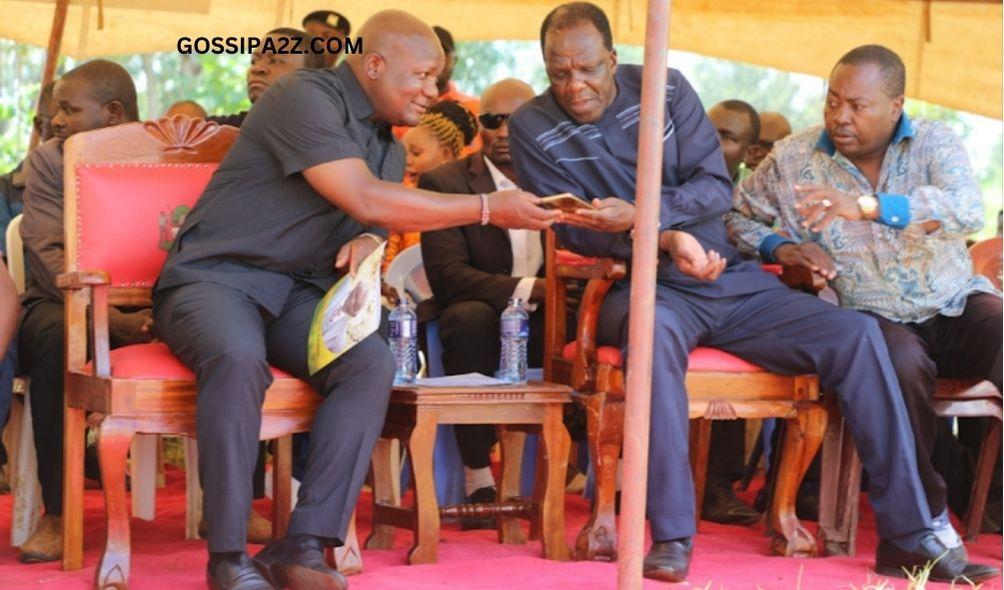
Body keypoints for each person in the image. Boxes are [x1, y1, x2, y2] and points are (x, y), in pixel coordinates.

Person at [508, 3, 999, 584]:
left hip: (730, 279)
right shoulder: (530, 125)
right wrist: (665, 239)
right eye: (558, 72)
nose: (575, 85)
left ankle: (908, 533)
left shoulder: (665, 87)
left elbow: (716, 187)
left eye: (587, 69)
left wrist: (651, 217)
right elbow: (566, 224)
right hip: (641, 285)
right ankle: (671, 536)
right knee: (650, 334)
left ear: (612, 58)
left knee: (858, 335)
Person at [151, 10, 557, 590]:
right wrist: (489, 208)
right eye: (419, 76)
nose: (433, 92)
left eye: (437, 78)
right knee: (239, 358)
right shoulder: (301, 95)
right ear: (373, 64)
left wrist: (370, 236)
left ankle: (305, 545)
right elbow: (366, 197)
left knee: (369, 362)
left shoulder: (387, 145)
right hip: (215, 279)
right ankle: (228, 556)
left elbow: (372, 212)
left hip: (295, 294)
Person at [727, 43, 1003, 558]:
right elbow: (735, 218)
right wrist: (783, 246)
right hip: (874, 315)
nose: (840, 116)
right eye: (832, 101)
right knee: (894, 365)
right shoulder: (794, 156)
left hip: (955, 301)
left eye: (858, 105)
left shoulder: (935, 143)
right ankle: (925, 527)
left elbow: (966, 211)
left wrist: (868, 207)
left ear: (895, 106)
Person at [17, 60, 156, 563]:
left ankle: (241, 499)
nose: (55, 119)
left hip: (150, 304)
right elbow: (47, 253)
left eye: (69, 109)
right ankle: (58, 512)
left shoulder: (168, 154)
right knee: (59, 340)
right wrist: (110, 318)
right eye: (57, 108)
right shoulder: (51, 160)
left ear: (113, 113)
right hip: (60, 300)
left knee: (226, 325)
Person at [419, 78, 543, 528]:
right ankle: (477, 475)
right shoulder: (446, 182)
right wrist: (530, 289)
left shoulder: (562, 180)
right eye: (493, 121)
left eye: (518, 120)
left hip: (550, 316)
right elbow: (448, 277)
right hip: (478, 312)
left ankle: (600, 471)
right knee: (468, 317)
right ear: (479, 128)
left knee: (607, 322)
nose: (505, 131)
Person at [695, 98, 762, 526]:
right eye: (709, 131)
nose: (712, 143)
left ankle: (718, 484)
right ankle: (638, 479)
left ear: (752, 154)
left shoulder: (757, 200)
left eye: (728, 137)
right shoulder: (670, 178)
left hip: (734, 305)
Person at [384, 99, 479, 270]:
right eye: (402, 151)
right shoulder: (396, 192)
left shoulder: (466, 204)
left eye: (416, 153)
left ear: (446, 155)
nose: (406, 160)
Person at [209, 28, 326, 128]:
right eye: (254, 61)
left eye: (275, 61)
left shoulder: (329, 141)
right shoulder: (224, 129)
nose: (257, 68)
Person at [0, 82, 57, 256]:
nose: (67, 127)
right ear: (40, 125)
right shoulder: (5, 192)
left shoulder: (100, 185)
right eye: (57, 122)